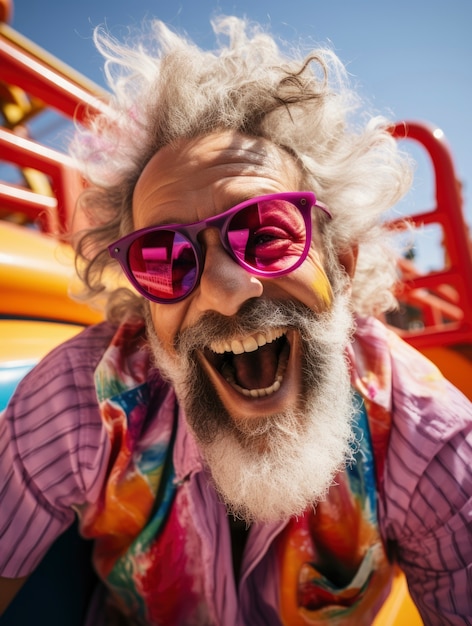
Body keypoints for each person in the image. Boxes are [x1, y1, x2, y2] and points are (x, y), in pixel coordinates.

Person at [1, 16, 471, 626]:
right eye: (164, 257)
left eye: (269, 234)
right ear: (146, 310)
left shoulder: (428, 441)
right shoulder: (79, 407)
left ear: (343, 266)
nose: (225, 292)